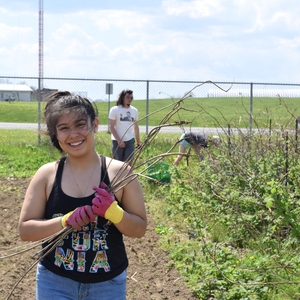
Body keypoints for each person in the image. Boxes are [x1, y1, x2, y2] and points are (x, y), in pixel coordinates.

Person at [18, 91, 147, 300]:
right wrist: (64, 220)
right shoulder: (47, 175)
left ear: (95, 124)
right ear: (56, 134)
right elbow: (25, 230)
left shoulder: (121, 173)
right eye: (63, 128)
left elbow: (139, 228)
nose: (73, 134)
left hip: (108, 284)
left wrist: (114, 212)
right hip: (55, 282)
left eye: (80, 124)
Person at [109, 89, 141, 163]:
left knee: (128, 164)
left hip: (130, 140)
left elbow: (136, 127)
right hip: (117, 141)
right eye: (127, 97)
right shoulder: (115, 110)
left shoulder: (134, 110)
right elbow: (111, 126)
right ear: (123, 97)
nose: (129, 99)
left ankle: (128, 175)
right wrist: (119, 141)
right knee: (117, 165)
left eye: (131, 98)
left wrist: (138, 142)